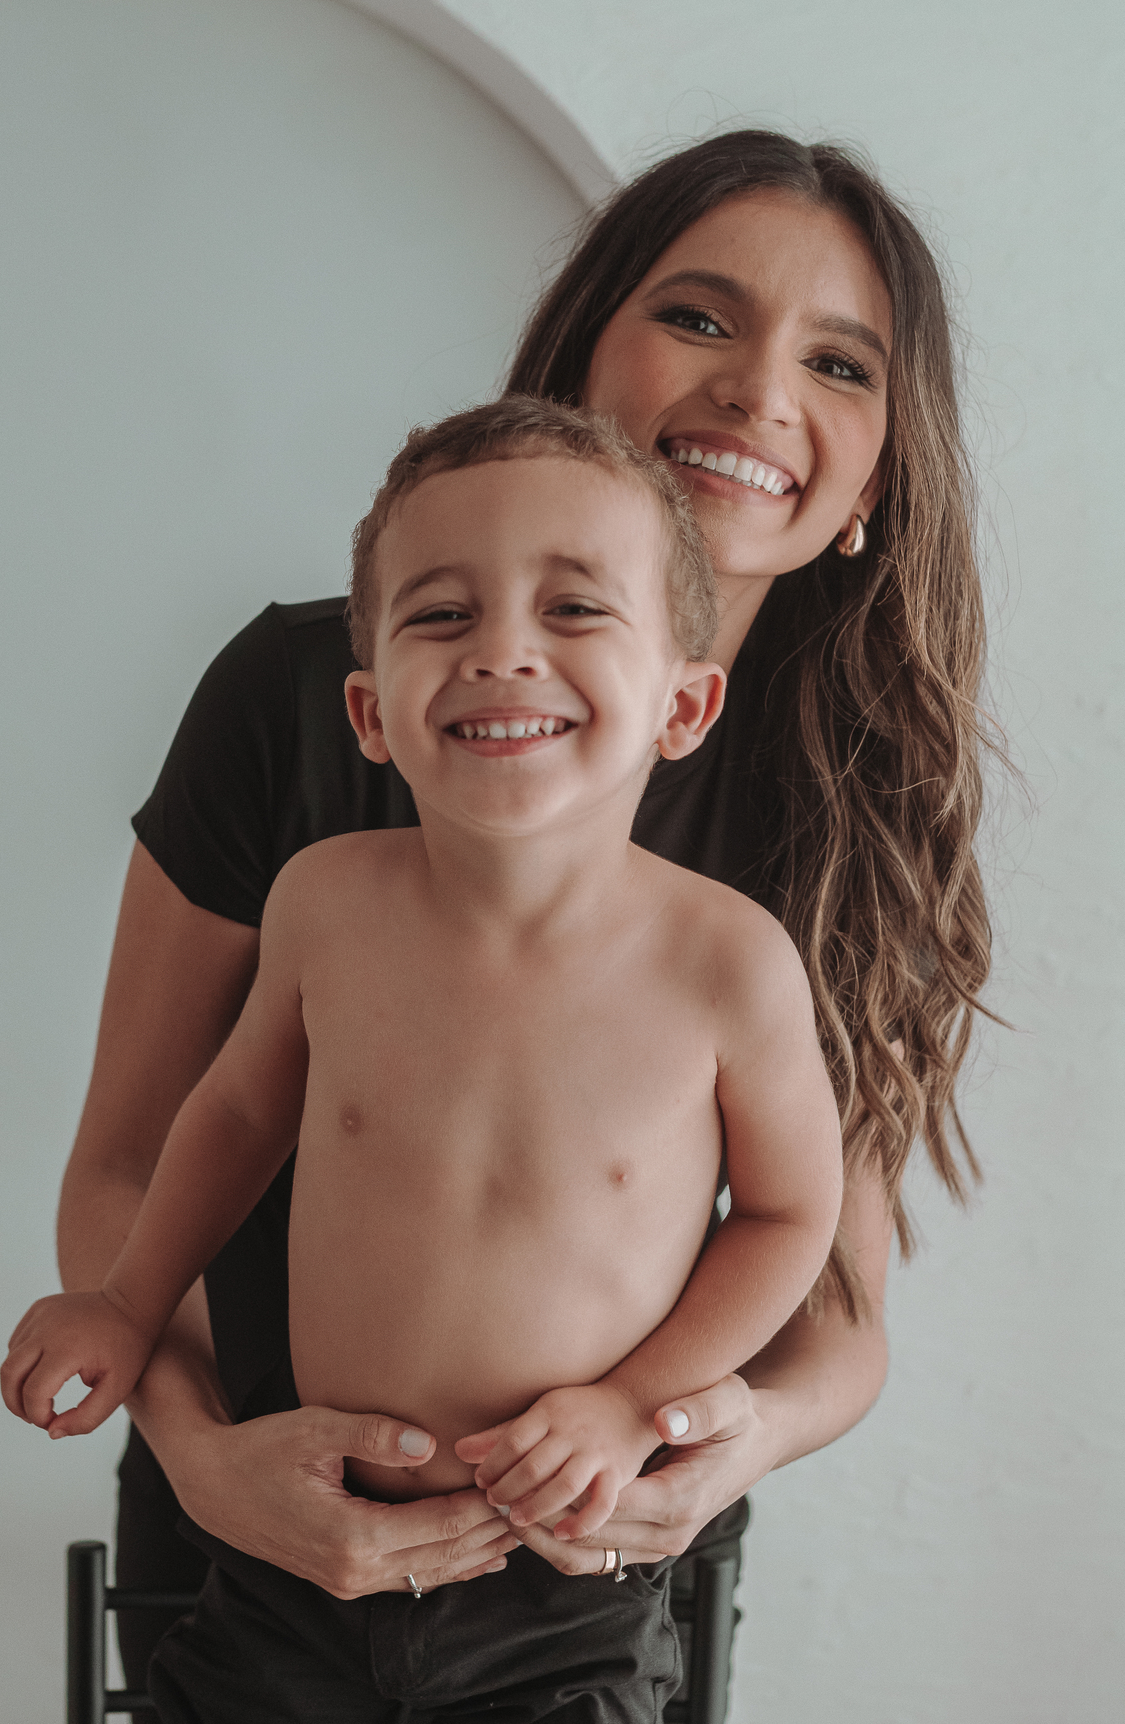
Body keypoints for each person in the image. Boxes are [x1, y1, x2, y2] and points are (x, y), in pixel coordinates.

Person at [50, 129, 993, 1705]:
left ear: (873, 485)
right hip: (251, 1547)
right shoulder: (298, 701)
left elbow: (832, 1300)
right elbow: (135, 1161)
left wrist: (709, 1436)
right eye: (698, 316)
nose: (760, 391)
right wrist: (207, 1459)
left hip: (587, 1582)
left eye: (839, 363)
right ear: (580, 359)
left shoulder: (850, 819)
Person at [4, 398, 846, 1722]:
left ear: (683, 703)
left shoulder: (727, 962)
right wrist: (126, 1299)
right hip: (295, 1547)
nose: (501, 650)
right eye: (443, 614)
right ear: (370, 711)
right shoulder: (324, 902)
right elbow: (231, 1119)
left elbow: (794, 1217)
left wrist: (634, 1406)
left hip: (561, 1580)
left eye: (574, 609)